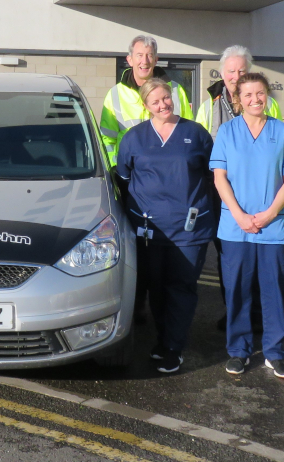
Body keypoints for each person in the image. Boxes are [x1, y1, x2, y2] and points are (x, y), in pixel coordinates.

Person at [115, 79, 216, 374]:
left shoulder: (195, 133)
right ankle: (163, 340)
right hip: (149, 228)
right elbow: (124, 178)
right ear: (145, 106)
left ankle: (173, 347)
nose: (163, 105)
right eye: (155, 101)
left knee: (181, 287)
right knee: (156, 287)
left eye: (166, 98)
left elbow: (213, 175)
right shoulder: (134, 138)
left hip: (188, 228)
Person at [210, 72, 284, 379]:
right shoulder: (227, 131)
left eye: (260, 93)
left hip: (272, 227)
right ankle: (239, 351)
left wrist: (270, 213)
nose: (255, 99)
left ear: (267, 95)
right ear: (238, 99)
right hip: (235, 226)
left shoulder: (282, 131)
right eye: (247, 94)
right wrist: (238, 214)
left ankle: (274, 353)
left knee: (274, 291)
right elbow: (219, 178)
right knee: (237, 290)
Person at [195, 45, 279, 331]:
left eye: (242, 70)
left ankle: (258, 313)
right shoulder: (208, 106)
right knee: (229, 257)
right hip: (222, 192)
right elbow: (201, 148)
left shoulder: (269, 104)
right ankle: (234, 311)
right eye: (231, 70)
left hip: (260, 192)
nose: (236, 75)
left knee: (259, 255)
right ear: (222, 73)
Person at [100, 35, 192, 167]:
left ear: (155, 60)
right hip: (131, 171)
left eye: (149, 55)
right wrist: (116, 169)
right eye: (139, 55)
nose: (144, 61)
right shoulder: (115, 94)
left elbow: (188, 131)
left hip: (170, 170)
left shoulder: (176, 90)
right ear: (130, 60)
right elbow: (107, 139)